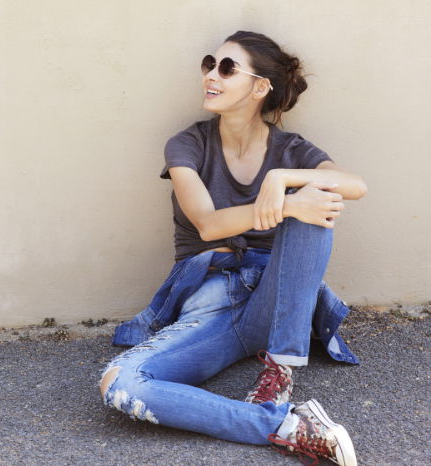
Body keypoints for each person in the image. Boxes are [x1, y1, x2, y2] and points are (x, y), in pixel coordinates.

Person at [98, 31, 368, 466]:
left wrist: (281, 182)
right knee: (120, 384)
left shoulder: (290, 149)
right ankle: (285, 427)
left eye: (227, 68)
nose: (211, 76)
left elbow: (356, 185)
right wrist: (287, 203)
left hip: (276, 300)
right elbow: (208, 225)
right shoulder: (188, 144)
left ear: (260, 87)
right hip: (213, 306)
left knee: (315, 208)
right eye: (210, 64)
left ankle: (279, 374)